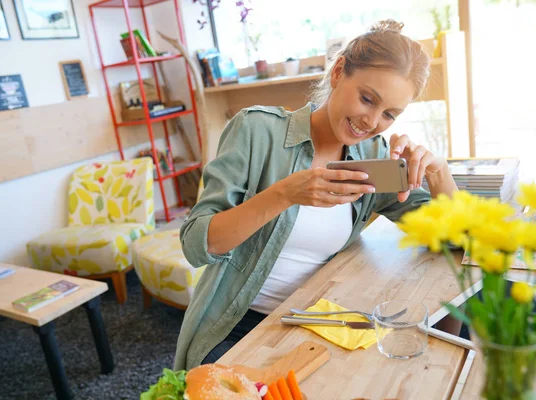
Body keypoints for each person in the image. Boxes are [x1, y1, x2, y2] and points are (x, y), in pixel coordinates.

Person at [174, 19, 457, 370]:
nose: (371, 121)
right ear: (339, 72)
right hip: (237, 328)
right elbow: (198, 245)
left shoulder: (372, 156)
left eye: (389, 114)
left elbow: (452, 236)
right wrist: (284, 193)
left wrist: (438, 171)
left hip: (320, 325)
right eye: (367, 99)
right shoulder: (256, 130)